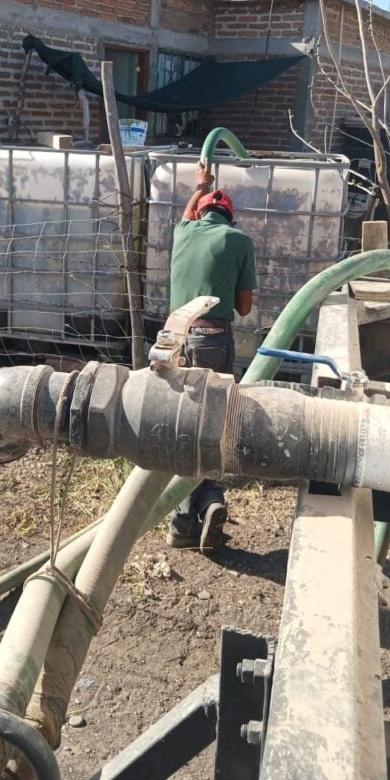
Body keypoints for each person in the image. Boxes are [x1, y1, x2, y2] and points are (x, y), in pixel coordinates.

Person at [166, 159, 257, 552]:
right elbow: (245, 308)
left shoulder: (182, 232)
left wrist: (200, 184)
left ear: (200, 215)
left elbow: (189, 212)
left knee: (184, 427)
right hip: (212, 341)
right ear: (230, 220)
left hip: (172, 341)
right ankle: (202, 505)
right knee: (209, 428)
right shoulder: (238, 242)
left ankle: (189, 518)